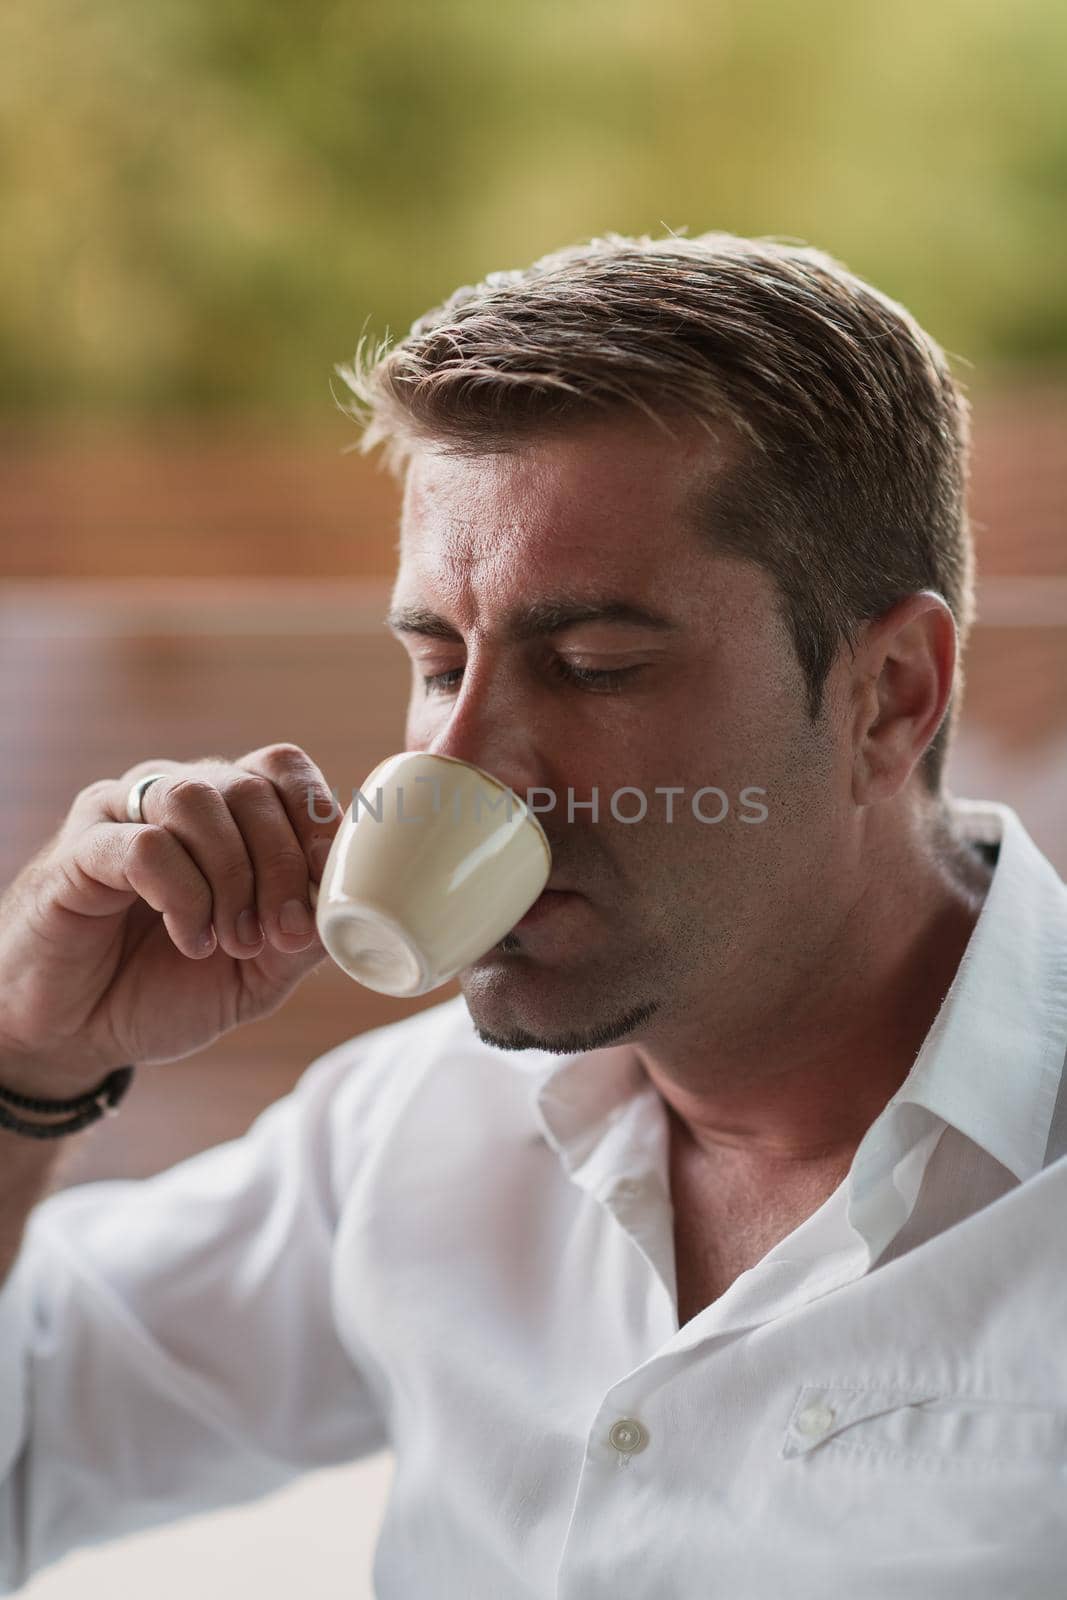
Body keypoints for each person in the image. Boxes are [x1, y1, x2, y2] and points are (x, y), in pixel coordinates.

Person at [1, 231, 1065, 1598]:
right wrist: (29, 1063)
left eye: (592, 665)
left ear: (890, 697)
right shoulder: (412, 1133)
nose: (458, 764)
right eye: (436, 659)